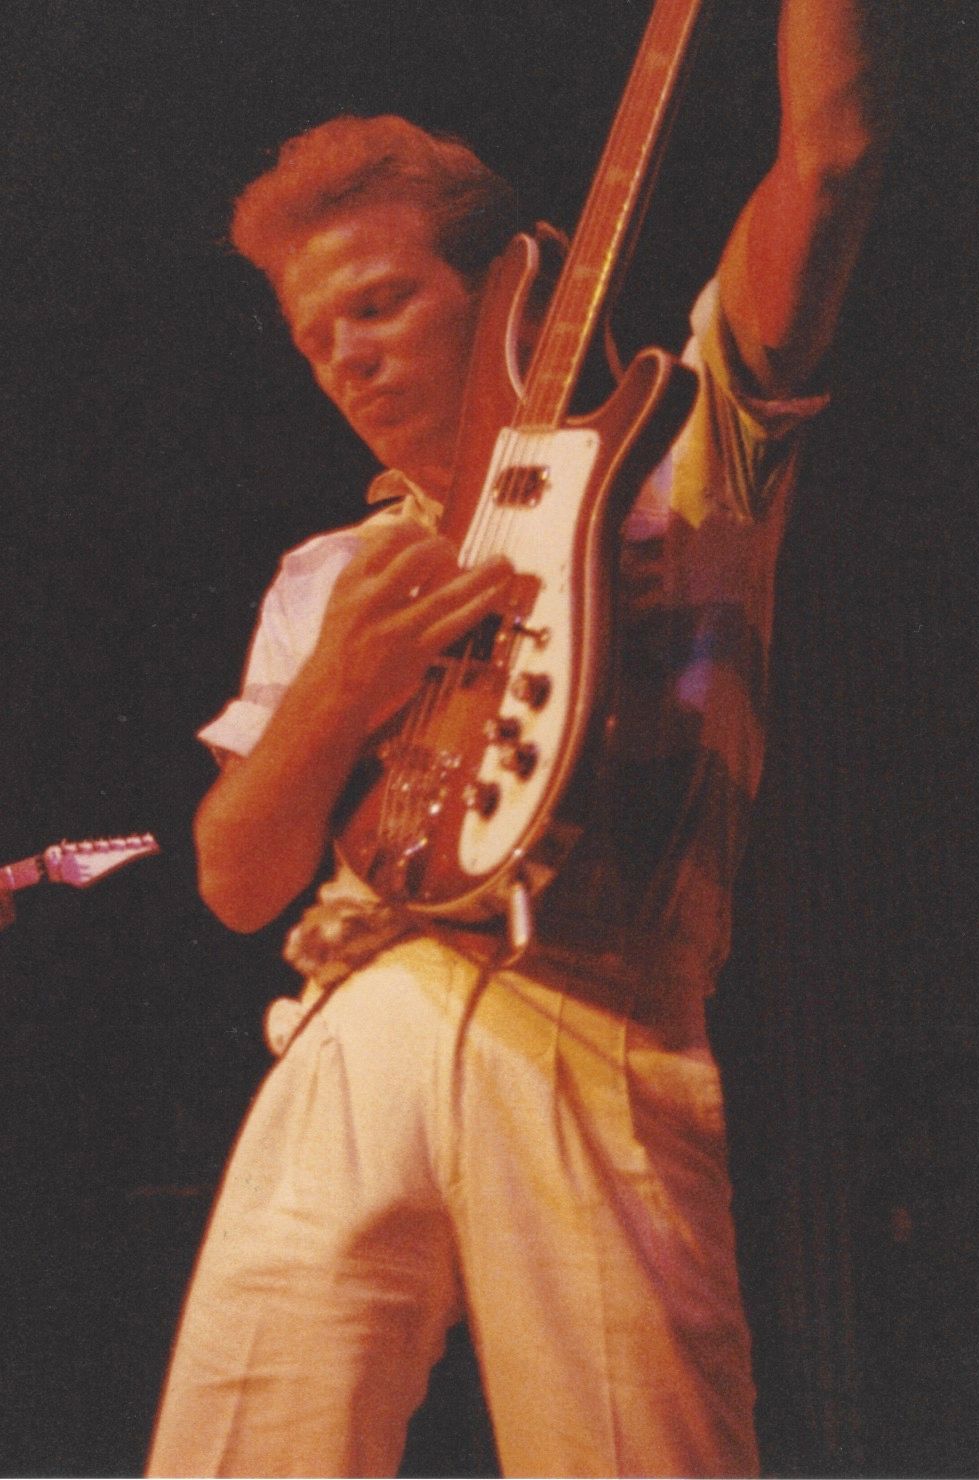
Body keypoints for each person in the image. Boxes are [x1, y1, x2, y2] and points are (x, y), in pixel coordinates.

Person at [149, 4, 900, 1475]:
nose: (345, 359)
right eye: (315, 338)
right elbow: (234, 880)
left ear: (501, 289)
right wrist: (337, 690)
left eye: (379, 304)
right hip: (358, 1023)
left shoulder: (685, 458)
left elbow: (831, 158)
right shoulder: (331, 574)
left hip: (594, 1009)